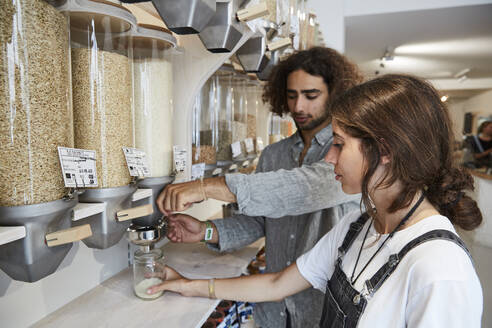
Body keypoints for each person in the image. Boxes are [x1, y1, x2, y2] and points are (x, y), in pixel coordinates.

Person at [152, 74, 483, 327]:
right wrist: (187, 285)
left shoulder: (439, 268)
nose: (329, 159)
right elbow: (277, 283)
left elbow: (296, 189)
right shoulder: (357, 228)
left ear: (384, 151)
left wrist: (208, 187)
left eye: (339, 144)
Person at [158, 47, 363, 328]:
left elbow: (300, 189)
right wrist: (208, 230)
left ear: (334, 93)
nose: (299, 107)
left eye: (311, 95)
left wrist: (206, 187)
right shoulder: (274, 155)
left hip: (321, 311)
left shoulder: (345, 153)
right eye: (292, 95)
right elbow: (259, 223)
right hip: (273, 309)